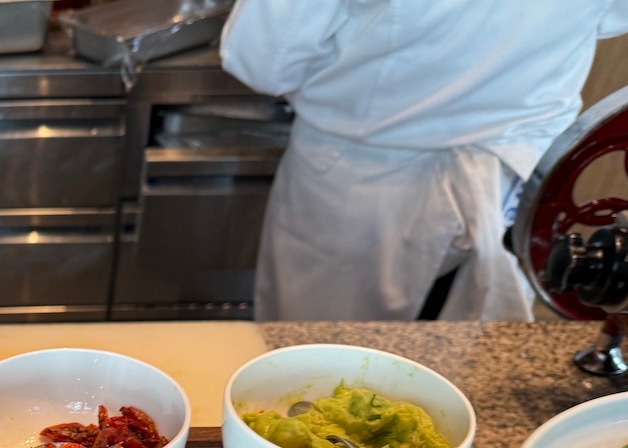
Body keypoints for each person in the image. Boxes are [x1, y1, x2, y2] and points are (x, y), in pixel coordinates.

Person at [220, 0, 628, 322]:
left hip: (358, 182)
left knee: (322, 363)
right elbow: (612, 17)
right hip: (511, 181)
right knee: (461, 369)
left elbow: (261, 61)